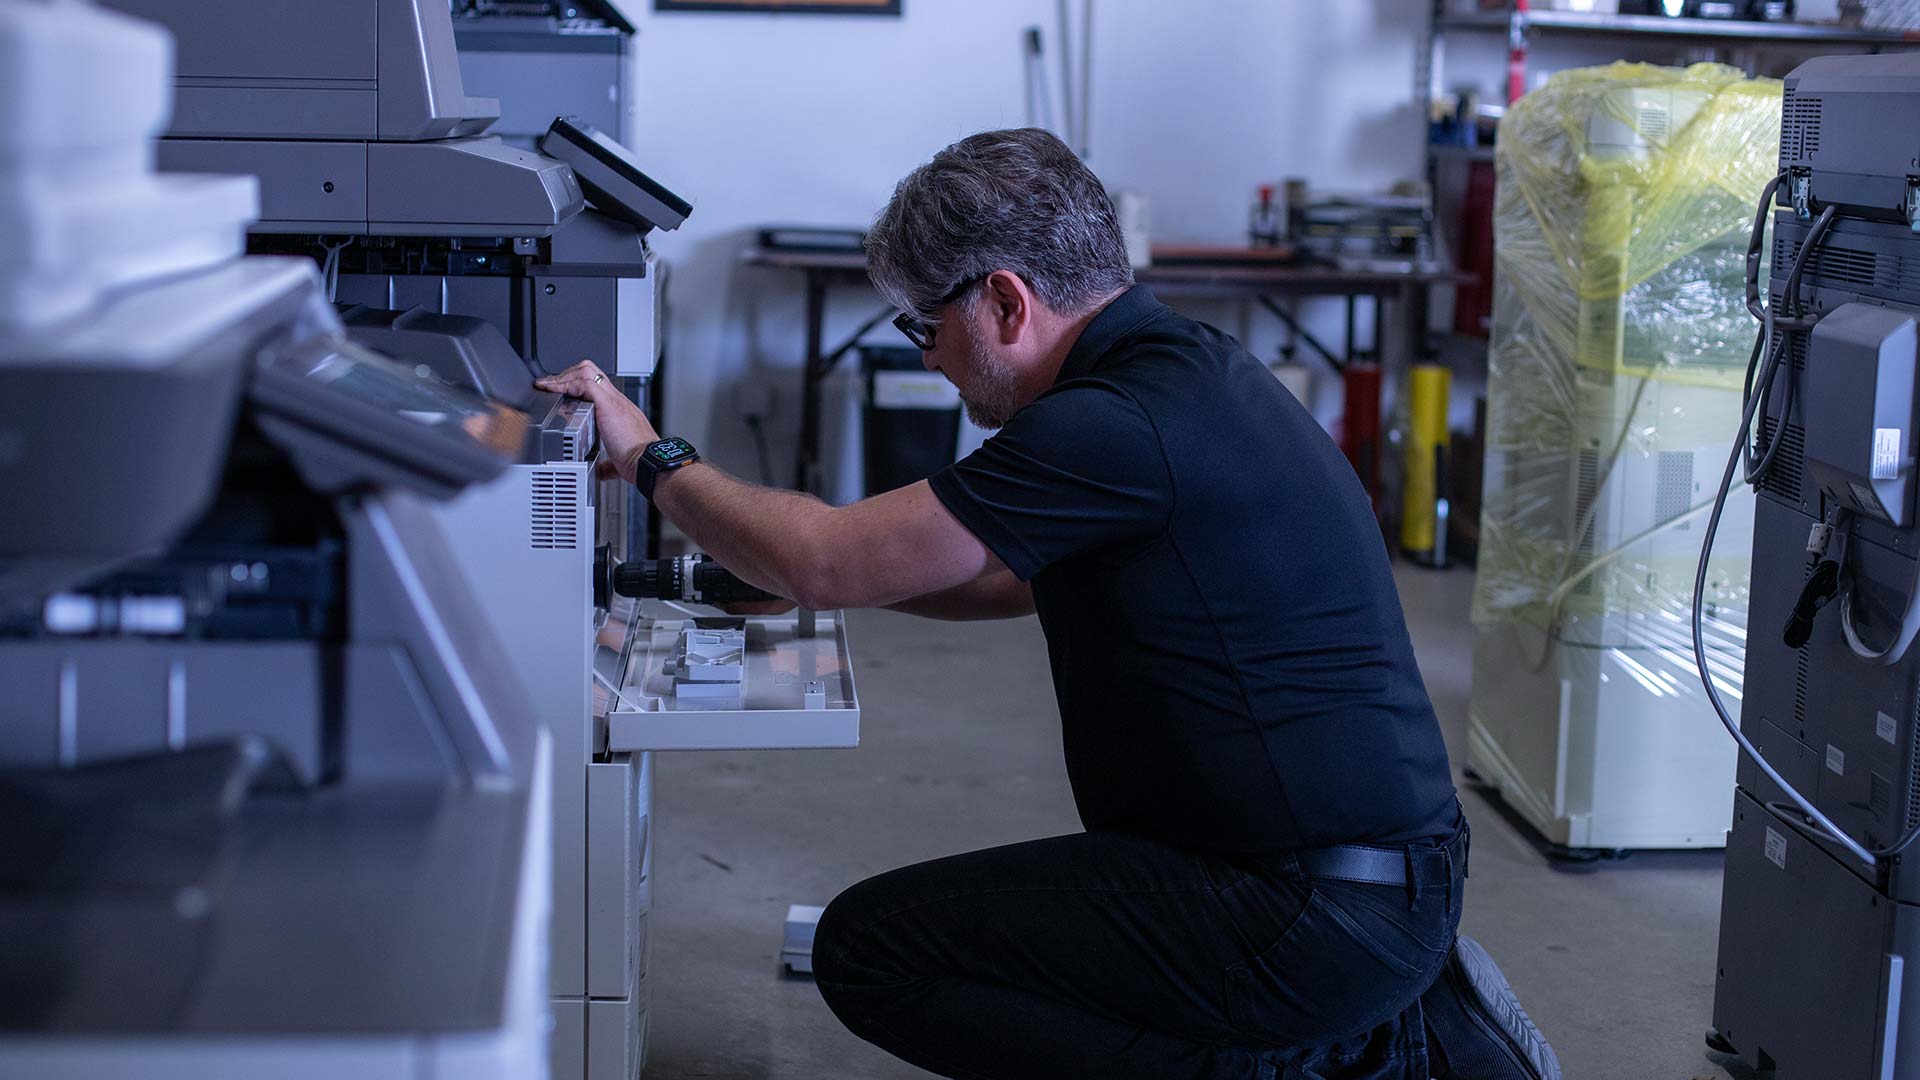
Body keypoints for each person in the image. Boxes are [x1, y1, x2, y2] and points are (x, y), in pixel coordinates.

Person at [535, 128, 1559, 1080]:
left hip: (1304, 909)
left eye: (926, 325)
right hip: (1361, 882)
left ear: (1007, 304)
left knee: (873, 955)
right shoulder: (1176, 370)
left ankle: (1358, 1062)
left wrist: (652, 454)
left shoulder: (1109, 424)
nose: (927, 357)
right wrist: (846, 582)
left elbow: (824, 561)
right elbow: (1011, 574)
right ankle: (1374, 1022)